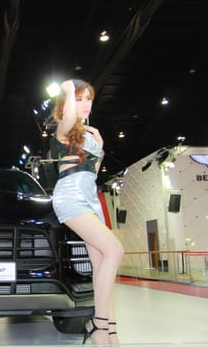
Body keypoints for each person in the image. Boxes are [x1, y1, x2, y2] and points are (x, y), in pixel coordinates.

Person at [51, 79, 124, 346]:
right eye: (79, 99)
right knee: (115, 250)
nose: (85, 104)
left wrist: (101, 148)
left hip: (90, 197)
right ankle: (99, 324)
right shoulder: (64, 128)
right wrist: (69, 88)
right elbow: (70, 115)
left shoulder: (93, 135)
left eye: (88, 99)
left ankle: (110, 334)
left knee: (101, 263)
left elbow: (92, 173)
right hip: (70, 196)